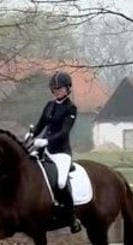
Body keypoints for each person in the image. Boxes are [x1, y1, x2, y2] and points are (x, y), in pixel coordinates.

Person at [25, 70, 82, 234]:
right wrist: (32, 134)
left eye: (60, 88)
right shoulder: (49, 106)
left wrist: (47, 140)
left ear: (67, 89)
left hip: (61, 152)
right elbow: (40, 124)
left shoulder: (71, 108)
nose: (57, 91)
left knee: (62, 182)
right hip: (44, 149)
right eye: (55, 89)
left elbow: (64, 132)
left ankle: (72, 218)